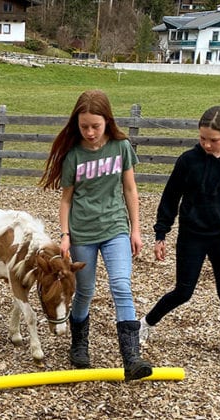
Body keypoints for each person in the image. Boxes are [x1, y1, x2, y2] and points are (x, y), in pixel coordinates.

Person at [39, 90, 152, 381]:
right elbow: (66, 199)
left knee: (121, 285)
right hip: (83, 232)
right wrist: (65, 234)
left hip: (115, 227)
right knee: (85, 290)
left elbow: (130, 190)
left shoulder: (121, 147)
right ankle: (79, 345)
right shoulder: (73, 155)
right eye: (84, 126)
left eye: (95, 126)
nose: (89, 132)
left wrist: (136, 230)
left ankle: (131, 357)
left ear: (107, 122)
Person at [144, 105, 220, 370]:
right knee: (184, 291)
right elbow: (170, 198)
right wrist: (161, 233)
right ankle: (146, 324)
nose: (207, 144)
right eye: (202, 138)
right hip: (192, 235)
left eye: (213, 140)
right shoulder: (188, 160)